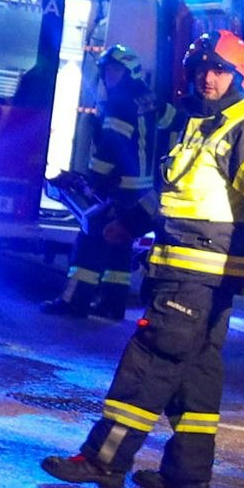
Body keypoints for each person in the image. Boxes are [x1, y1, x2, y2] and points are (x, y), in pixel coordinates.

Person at [41, 28, 244, 488]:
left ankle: (103, 459)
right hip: (187, 271)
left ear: (239, 75)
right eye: (201, 69)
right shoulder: (202, 121)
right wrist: (130, 224)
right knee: (196, 372)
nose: (208, 78)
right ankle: (187, 476)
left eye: (219, 70)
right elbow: (176, 191)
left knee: (150, 360)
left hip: (198, 274)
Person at [49, 51, 152, 319]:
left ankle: (75, 302)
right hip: (142, 191)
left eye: (115, 71)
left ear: (130, 73)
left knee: (90, 241)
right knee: (119, 246)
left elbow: (109, 149)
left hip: (117, 188)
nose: (109, 76)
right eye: (107, 71)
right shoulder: (153, 102)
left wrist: (91, 181)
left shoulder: (118, 104)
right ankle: (112, 305)